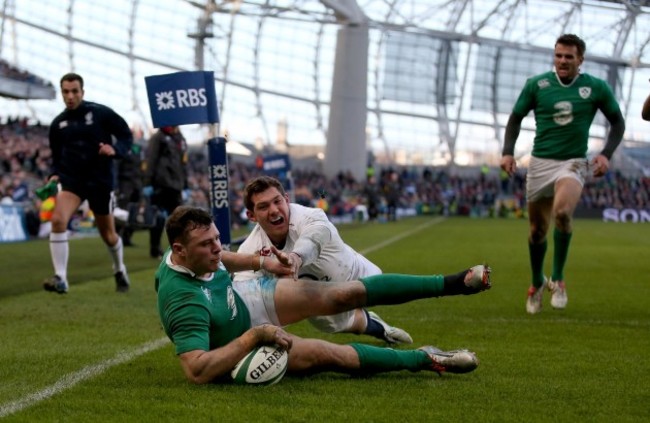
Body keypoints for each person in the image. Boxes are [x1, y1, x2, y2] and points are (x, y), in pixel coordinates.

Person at [155, 206, 492, 385]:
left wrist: (261, 262)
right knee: (332, 356)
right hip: (238, 346)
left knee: (341, 295)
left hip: (246, 297)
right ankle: (426, 359)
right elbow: (197, 372)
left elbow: (225, 256)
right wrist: (255, 336)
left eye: (217, 238)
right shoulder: (184, 303)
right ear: (180, 251)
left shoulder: (200, 254)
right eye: (207, 244)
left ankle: (452, 283)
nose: (217, 248)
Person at [500, 34, 625, 314]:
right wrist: (507, 152)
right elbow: (515, 117)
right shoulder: (537, 85)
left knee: (562, 213)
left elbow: (617, 122)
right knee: (537, 231)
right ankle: (536, 284)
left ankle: (558, 279)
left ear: (581, 59)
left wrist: (605, 154)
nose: (562, 61)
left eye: (569, 56)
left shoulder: (595, 88)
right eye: (558, 55)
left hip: (573, 162)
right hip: (540, 163)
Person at [234, 176, 412, 345]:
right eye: (264, 207)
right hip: (318, 298)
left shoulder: (310, 215)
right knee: (337, 323)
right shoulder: (249, 250)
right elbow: (247, 300)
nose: (273, 210)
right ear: (251, 216)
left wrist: (296, 257)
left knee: (379, 289)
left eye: (277, 201)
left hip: (354, 273)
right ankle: (380, 328)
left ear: (286, 200)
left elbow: (313, 239)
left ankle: (439, 285)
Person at [43, 72, 134, 294]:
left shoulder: (100, 113)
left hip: (100, 181)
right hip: (72, 182)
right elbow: (56, 157)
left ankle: (119, 268)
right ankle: (61, 278)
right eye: (66, 91)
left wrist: (115, 150)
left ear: (82, 92)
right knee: (57, 221)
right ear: (62, 93)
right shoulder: (57, 124)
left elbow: (125, 135)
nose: (70, 96)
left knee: (109, 235)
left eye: (74, 91)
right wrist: (54, 174)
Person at [143, 126, 188, 259]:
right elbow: (151, 160)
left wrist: (185, 185)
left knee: (178, 218)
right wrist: (148, 183)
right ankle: (155, 248)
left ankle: (177, 247)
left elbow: (183, 163)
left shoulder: (180, 138)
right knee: (159, 217)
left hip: (176, 185)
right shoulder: (158, 137)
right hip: (161, 184)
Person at [115, 142, 144, 246]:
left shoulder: (138, 148)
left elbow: (142, 167)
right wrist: (116, 186)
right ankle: (116, 238)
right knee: (122, 213)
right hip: (125, 184)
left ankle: (127, 237)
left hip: (136, 184)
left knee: (134, 213)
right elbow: (116, 167)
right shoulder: (120, 147)